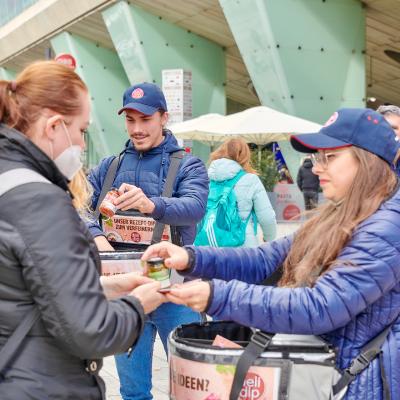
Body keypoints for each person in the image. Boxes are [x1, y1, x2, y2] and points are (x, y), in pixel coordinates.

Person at [142, 108, 400, 400]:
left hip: (363, 386)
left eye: (330, 157)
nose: (316, 168)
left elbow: (320, 306)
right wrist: (192, 258)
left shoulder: (387, 227)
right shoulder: (340, 213)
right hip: (331, 377)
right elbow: (266, 259)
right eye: (317, 157)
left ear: (367, 162)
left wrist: (217, 296)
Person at [0, 61, 166, 399]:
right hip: (40, 383)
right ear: (55, 126)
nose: (80, 141)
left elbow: (28, 285)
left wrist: (106, 285)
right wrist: (137, 304)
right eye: (81, 130)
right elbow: (90, 331)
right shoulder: (41, 201)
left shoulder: (9, 180)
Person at [87, 82, 209, 399]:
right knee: (132, 390)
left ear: (163, 117)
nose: (137, 128)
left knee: (193, 386)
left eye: (145, 119)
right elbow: (75, 205)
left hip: (176, 289)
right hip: (124, 289)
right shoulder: (109, 167)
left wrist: (151, 204)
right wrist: (97, 236)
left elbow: (195, 208)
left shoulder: (188, 165)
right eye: (130, 120)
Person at [204, 138, 276, 246]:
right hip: (243, 247)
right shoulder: (251, 180)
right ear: (244, 156)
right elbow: (267, 217)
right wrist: (269, 238)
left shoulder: (207, 179)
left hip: (209, 244)